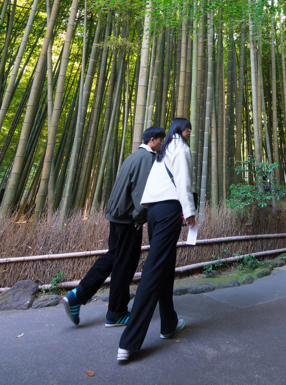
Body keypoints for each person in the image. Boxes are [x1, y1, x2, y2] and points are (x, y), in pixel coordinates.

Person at [62, 126, 166, 328]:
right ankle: (116, 313)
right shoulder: (146, 158)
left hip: (117, 216)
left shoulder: (133, 156)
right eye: (160, 141)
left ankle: (77, 296)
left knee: (114, 257)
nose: (161, 145)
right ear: (153, 140)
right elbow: (142, 192)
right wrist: (139, 218)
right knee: (124, 264)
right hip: (129, 219)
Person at [117, 117, 196, 363]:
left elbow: (150, 187)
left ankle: (169, 324)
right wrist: (190, 212)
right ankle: (128, 342)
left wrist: (143, 214)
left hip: (153, 212)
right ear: (180, 130)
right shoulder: (180, 148)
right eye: (188, 130)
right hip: (171, 210)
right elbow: (183, 182)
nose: (189, 133)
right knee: (154, 269)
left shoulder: (162, 151)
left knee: (164, 266)